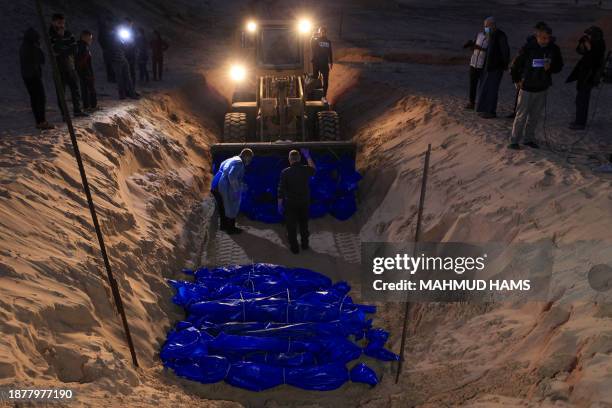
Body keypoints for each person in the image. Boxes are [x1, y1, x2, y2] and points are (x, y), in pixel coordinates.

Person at [509, 23, 563, 150]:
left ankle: (528, 139)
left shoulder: (553, 49)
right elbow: (514, 65)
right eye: (544, 38)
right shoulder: (528, 48)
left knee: (535, 116)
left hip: (542, 87)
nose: (546, 40)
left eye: (548, 38)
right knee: (521, 115)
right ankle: (514, 140)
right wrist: (516, 80)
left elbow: (559, 66)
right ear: (537, 36)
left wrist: (551, 68)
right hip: (527, 87)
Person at [566, 26, 606, 130]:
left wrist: (589, 47)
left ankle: (580, 123)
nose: (587, 37)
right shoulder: (594, 43)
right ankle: (579, 121)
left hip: (588, 77)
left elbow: (593, 58)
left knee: (582, 100)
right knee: (580, 100)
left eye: (589, 35)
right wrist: (583, 44)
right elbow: (579, 51)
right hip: (585, 76)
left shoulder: (599, 45)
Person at [277, 149, 316, 254]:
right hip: (304, 202)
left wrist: (279, 204)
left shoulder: (285, 172)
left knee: (291, 226)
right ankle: (305, 245)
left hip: (291, 203)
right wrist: (307, 156)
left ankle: (294, 248)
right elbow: (313, 170)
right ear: (299, 158)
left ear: (289, 159)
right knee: (304, 224)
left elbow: (280, 189)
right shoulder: (305, 169)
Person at [49, 13, 88, 119]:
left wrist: (63, 50)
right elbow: (55, 49)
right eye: (59, 23)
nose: (61, 25)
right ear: (53, 22)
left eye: (63, 23)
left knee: (75, 89)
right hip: (58, 68)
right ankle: (64, 114)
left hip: (70, 66)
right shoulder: (50, 34)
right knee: (61, 92)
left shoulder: (68, 33)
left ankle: (77, 110)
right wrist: (60, 38)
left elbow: (75, 49)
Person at [211, 149, 254, 234]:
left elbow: (222, 166)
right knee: (231, 205)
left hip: (215, 182)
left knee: (222, 206)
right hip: (223, 184)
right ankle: (231, 229)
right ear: (246, 156)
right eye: (250, 158)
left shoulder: (232, 159)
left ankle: (223, 226)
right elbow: (232, 176)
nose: (250, 161)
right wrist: (236, 190)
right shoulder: (239, 163)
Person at [475, 17, 510, 118]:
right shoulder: (490, 35)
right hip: (487, 66)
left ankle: (491, 111)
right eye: (484, 26)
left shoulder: (500, 35)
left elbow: (505, 51)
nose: (485, 28)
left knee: (492, 89)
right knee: (484, 87)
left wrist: (504, 64)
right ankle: (483, 109)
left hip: (495, 67)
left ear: (492, 25)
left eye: (486, 26)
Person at [20, 28, 54, 130]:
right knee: (40, 98)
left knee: (34, 99)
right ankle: (42, 121)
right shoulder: (32, 46)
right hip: (33, 75)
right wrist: (39, 47)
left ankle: (39, 121)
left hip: (26, 75)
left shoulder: (23, 46)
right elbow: (41, 59)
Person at [463, 22, 489, 110]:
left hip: (482, 65)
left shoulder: (491, 38)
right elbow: (474, 47)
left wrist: (480, 48)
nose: (486, 28)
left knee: (482, 85)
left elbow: (490, 52)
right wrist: (471, 45)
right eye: (485, 26)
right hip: (473, 63)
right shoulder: (479, 35)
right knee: (472, 84)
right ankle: (471, 103)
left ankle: (482, 103)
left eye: (488, 26)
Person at [109, 25, 139, 100]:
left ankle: (131, 93)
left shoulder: (121, 38)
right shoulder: (112, 38)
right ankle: (122, 95)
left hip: (123, 59)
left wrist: (128, 43)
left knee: (128, 77)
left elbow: (126, 48)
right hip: (116, 61)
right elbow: (111, 49)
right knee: (120, 79)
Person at [76, 30, 97, 111]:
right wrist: (89, 73)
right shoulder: (83, 47)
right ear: (84, 37)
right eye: (90, 38)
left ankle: (87, 106)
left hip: (81, 71)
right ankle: (92, 106)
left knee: (84, 88)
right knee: (90, 88)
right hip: (85, 71)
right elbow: (84, 61)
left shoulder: (79, 46)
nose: (91, 40)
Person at [311, 26, 333, 104]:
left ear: (325, 32)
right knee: (315, 77)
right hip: (316, 62)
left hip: (324, 63)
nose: (322, 33)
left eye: (324, 32)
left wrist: (330, 62)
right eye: (321, 31)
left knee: (326, 80)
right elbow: (312, 47)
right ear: (319, 32)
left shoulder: (328, 42)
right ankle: (309, 90)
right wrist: (313, 37)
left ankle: (324, 97)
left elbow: (330, 52)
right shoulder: (315, 40)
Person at [97, 16, 116, 82]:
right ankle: (110, 78)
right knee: (109, 64)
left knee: (113, 63)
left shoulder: (112, 29)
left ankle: (113, 77)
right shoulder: (103, 30)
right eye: (108, 22)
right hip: (107, 49)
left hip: (112, 49)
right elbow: (100, 39)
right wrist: (105, 47)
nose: (109, 23)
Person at [123, 18, 137, 87]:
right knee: (125, 72)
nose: (127, 25)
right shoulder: (122, 32)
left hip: (132, 54)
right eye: (126, 23)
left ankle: (132, 88)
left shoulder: (134, 32)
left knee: (132, 72)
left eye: (129, 23)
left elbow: (136, 43)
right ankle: (126, 88)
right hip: (124, 54)